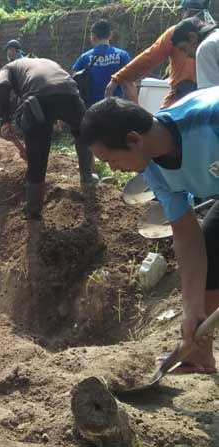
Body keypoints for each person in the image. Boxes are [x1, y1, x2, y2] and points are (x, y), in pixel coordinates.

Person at [79, 90, 219, 375]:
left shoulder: (209, 121)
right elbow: (185, 234)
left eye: (111, 160)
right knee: (210, 243)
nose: (114, 170)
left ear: (134, 140)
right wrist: (191, 309)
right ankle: (199, 352)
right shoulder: (154, 169)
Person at [0, 58, 96, 220]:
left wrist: (5, 120)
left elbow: (1, 85)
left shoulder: (8, 67)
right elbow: (57, 87)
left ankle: (33, 211)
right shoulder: (47, 63)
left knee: (37, 156)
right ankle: (87, 180)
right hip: (71, 93)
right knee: (82, 135)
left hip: (39, 99)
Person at [105, 0, 211, 107]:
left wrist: (118, 78)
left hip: (181, 100)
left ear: (187, 12)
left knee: (161, 123)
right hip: (209, 100)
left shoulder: (176, 34)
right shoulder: (213, 34)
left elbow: (149, 57)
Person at [72, 19, 131, 106]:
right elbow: (129, 84)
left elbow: (74, 82)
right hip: (116, 106)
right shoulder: (122, 55)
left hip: (91, 107)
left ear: (93, 36)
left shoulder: (84, 58)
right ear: (110, 35)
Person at [171, 17, 219, 89]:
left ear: (192, 37)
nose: (187, 55)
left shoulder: (205, 48)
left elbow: (208, 93)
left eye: (184, 48)